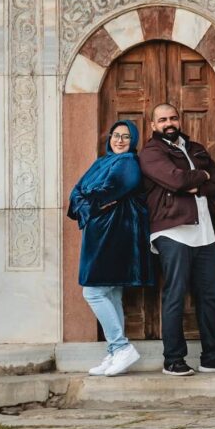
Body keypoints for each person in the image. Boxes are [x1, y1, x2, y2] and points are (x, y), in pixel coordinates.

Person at [139, 103, 215, 376]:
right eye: (162, 120)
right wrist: (197, 177)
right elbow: (176, 180)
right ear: (153, 125)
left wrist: (201, 180)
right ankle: (173, 360)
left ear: (179, 119)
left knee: (209, 295)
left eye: (172, 118)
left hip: (204, 232)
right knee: (175, 293)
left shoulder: (195, 148)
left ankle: (211, 356)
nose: (168, 123)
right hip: (172, 231)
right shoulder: (151, 152)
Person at [67, 120, 154, 377]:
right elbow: (75, 194)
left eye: (126, 137)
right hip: (99, 234)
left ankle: (121, 346)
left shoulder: (127, 163)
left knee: (93, 291)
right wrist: (87, 199)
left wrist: (87, 198)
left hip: (116, 234)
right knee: (112, 293)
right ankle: (116, 351)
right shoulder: (102, 162)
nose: (119, 140)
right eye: (116, 135)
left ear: (133, 140)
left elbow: (108, 191)